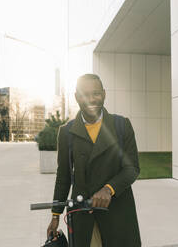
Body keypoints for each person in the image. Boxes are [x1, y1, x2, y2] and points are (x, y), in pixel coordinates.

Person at [47, 74, 141, 247]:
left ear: (104, 94)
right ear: (76, 97)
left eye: (96, 93)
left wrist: (108, 189)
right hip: (83, 214)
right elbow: (63, 177)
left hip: (118, 212)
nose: (91, 99)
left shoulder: (122, 125)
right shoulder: (66, 132)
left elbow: (132, 168)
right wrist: (55, 215)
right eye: (85, 94)